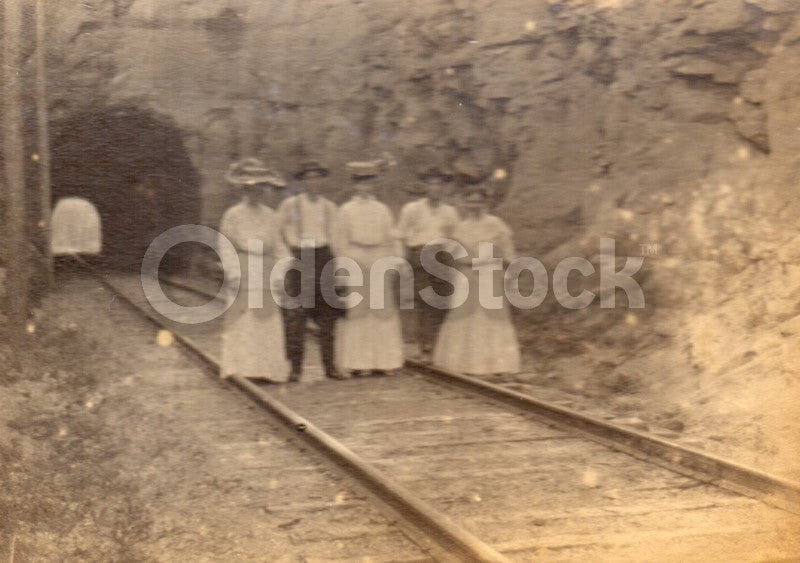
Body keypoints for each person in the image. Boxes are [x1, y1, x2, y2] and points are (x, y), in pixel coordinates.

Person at [432, 186, 521, 375]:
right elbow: (453, 255)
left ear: (486, 203)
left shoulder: (497, 225)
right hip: (467, 274)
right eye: (470, 201)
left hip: (490, 273)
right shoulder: (460, 227)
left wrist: (510, 274)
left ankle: (496, 364)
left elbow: (508, 253)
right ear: (464, 203)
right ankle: (463, 363)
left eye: (478, 201)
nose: (475, 205)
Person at [217, 158, 291, 382]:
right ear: (243, 189)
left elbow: (280, 245)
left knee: (267, 320)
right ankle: (242, 368)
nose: (255, 192)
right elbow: (225, 245)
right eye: (250, 188)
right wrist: (233, 272)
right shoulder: (233, 214)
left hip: (266, 269)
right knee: (244, 319)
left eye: (259, 188)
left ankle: (267, 369)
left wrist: (281, 270)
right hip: (243, 267)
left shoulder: (271, 215)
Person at [332, 160, 405, 376]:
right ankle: (358, 363)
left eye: (370, 183)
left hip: (379, 257)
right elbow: (339, 240)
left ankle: (383, 361)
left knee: (382, 310)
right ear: (354, 185)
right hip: (356, 257)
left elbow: (392, 236)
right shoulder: (345, 210)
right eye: (361, 183)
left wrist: (396, 260)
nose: (366, 187)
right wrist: (344, 268)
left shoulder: (382, 209)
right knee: (358, 310)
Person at [276, 160, 345, 382]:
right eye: (309, 178)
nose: (313, 182)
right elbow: (278, 231)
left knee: (328, 317)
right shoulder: (290, 205)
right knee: (297, 317)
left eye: (318, 177)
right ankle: (295, 369)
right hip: (299, 258)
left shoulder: (330, 207)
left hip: (324, 257)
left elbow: (337, 239)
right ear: (302, 181)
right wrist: (288, 255)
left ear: (323, 180)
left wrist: (339, 269)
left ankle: (330, 367)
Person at [397, 165, 459, 360]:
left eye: (439, 184)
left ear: (444, 188)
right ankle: (425, 345)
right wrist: (403, 260)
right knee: (425, 300)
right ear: (425, 186)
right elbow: (400, 234)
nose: (435, 188)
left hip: (443, 256)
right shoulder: (412, 209)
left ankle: (439, 345)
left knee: (442, 301)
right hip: (420, 254)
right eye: (431, 184)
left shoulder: (449, 211)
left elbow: (455, 237)